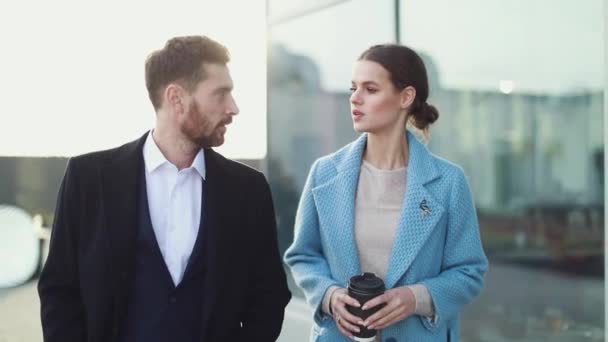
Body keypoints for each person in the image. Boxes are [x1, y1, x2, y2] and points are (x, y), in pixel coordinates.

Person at [38, 35, 291, 342]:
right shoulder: (89, 179)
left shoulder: (248, 190)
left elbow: (269, 296)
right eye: (220, 94)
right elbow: (59, 290)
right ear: (176, 98)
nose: (233, 107)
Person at [284, 44, 488, 341]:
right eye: (354, 88)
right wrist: (329, 295)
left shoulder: (449, 182)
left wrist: (415, 298)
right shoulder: (324, 173)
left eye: (370, 89)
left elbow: (469, 272)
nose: (355, 98)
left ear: (406, 97)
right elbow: (303, 256)